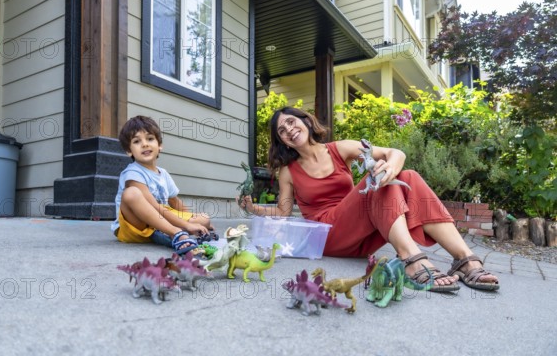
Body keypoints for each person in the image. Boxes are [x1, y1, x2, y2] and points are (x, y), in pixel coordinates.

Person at [239, 107, 499, 292]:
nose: (289, 130)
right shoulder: (288, 171)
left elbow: (393, 152)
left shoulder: (339, 149)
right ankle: (411, 259)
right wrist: (254, 209)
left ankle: (463, 258)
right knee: (376, 181)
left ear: (305, 121)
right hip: (327, 236)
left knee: (407, 176)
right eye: (282, 131)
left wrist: (391, 168)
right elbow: (284, 212)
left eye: (291, 122)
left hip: (362, 234)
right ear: (282, 141)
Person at [111, 115, 214, 255]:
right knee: (131, 193)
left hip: (160, 219)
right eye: (136, 141)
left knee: (204, 218)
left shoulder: (163, 174)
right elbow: (154, 207)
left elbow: (175, 202)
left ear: (159, 145)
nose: (145, 144)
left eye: (150, 139)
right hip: (135, 226)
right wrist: (185, 225)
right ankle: (175, 233)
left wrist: (198, 222)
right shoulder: (132, 173)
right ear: (129, 151)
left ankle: (165, 232)